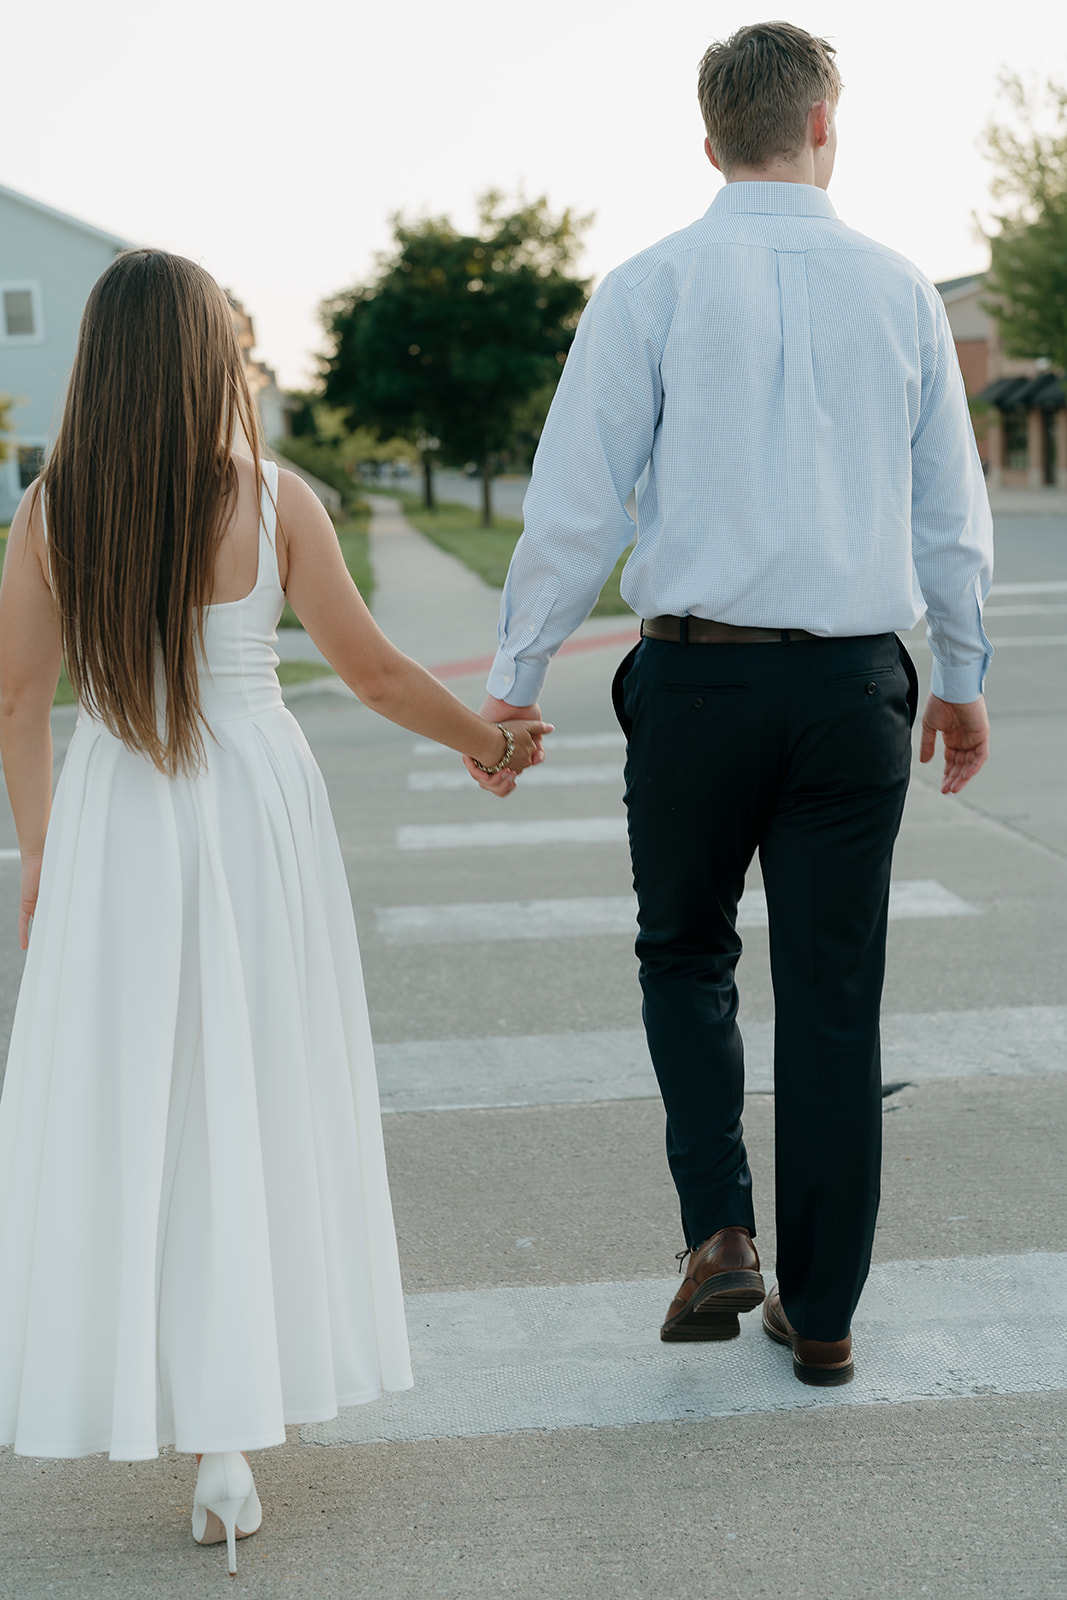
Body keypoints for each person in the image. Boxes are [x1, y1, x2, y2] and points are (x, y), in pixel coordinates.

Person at [0, 249, 549, 1574]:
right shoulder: (278, 498)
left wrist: (40, 858)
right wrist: (489, 737)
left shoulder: (52, 509)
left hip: (121, 816)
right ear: (210, 358)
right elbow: (365, 671)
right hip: (257, 816)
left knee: (148, 1101)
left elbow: (18, 702)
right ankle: (231, 1442)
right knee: (252, 1092)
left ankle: (174, 1398)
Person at [466, 21, 992, 1386]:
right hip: (851, 690)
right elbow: (951, 515)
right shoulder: (903, 293)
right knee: (834, 996)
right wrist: (966, 681)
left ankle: (719, 1232)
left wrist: (513, 689)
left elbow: (575, 508)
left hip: (696, 678)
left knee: (686, 953)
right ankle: (822, 1318)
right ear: (828, 123)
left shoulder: (646, 287)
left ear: (708, 142)